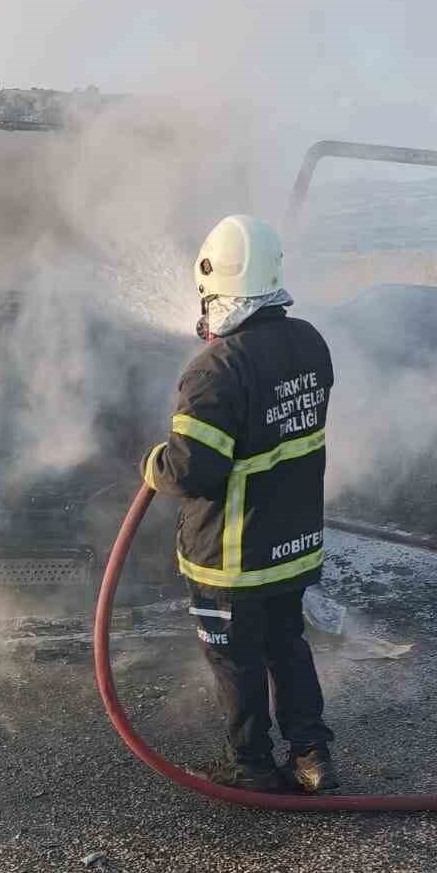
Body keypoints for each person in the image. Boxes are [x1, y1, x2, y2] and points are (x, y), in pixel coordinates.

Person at [141, 215, 338, 793]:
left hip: (231, 556)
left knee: (234, 659)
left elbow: (192, 471)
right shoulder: (310, 342)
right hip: (292, 544)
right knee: (287, 642)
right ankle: (312, 755)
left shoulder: (215, 369)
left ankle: (253, 768)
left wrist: (152, 464)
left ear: (215, 285)